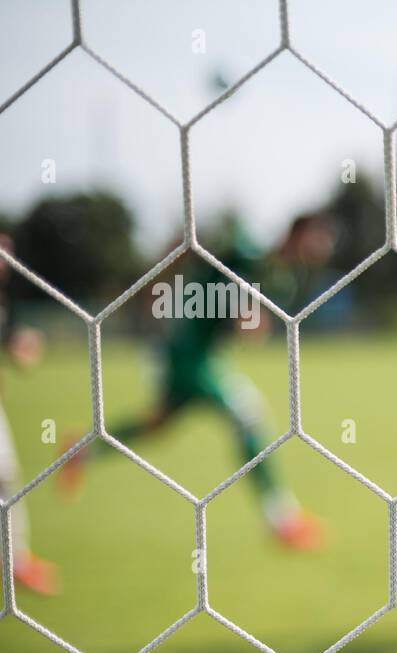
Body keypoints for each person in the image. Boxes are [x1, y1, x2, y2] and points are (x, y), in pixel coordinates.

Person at [57, 221, 322, 549]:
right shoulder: (248, 253)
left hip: (200, 354)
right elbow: (218, 252)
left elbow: (247, 322)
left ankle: (81, 450)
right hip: (188, 353)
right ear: (295, 233)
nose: (321, 246)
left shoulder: (284, 280)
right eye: (317, 237)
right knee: (248, 416)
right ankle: (282, 519)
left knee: (158, 424)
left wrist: (246, 320)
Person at [0, 233, 60, 594]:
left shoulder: (5, 303)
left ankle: (17, 560)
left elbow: (17, 352)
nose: (6, 263)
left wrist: (23, 348)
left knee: (6, 478)